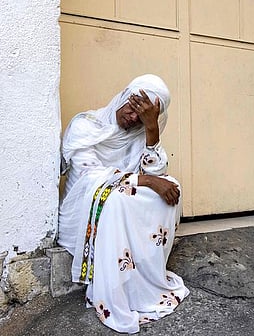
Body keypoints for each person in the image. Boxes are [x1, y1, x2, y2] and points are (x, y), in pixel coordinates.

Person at [58, 74, 189, 333]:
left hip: (118, 198)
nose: (132, 119)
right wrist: (148, 182)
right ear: (124, 96)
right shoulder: (86, 125)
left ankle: (141, 276)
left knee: (171, 188)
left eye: (142, 118)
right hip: (83, 209)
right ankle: (115, 285)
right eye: (132, 108)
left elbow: (158, 173)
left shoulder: (139, 134)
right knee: (119, 197)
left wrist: (152, 131)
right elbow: (91, 176)